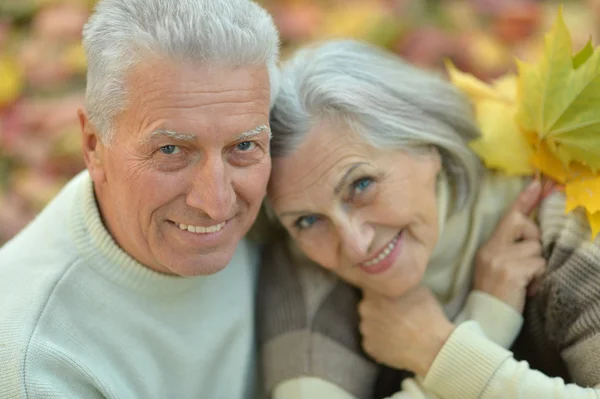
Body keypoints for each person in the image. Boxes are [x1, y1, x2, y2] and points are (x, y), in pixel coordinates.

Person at [257, 39, 600, 399]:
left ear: (426, 145)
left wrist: (436, 352)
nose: (355, 244)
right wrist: (482, 323)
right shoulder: (310, 263)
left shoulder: (562, 222)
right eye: (308, 221)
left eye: (361, 185)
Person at [0, 0, 279, 397]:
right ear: (94, 146)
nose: (216, 203)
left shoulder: (294, 200)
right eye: (170, 151)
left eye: (245, 145)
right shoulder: (36, 360)